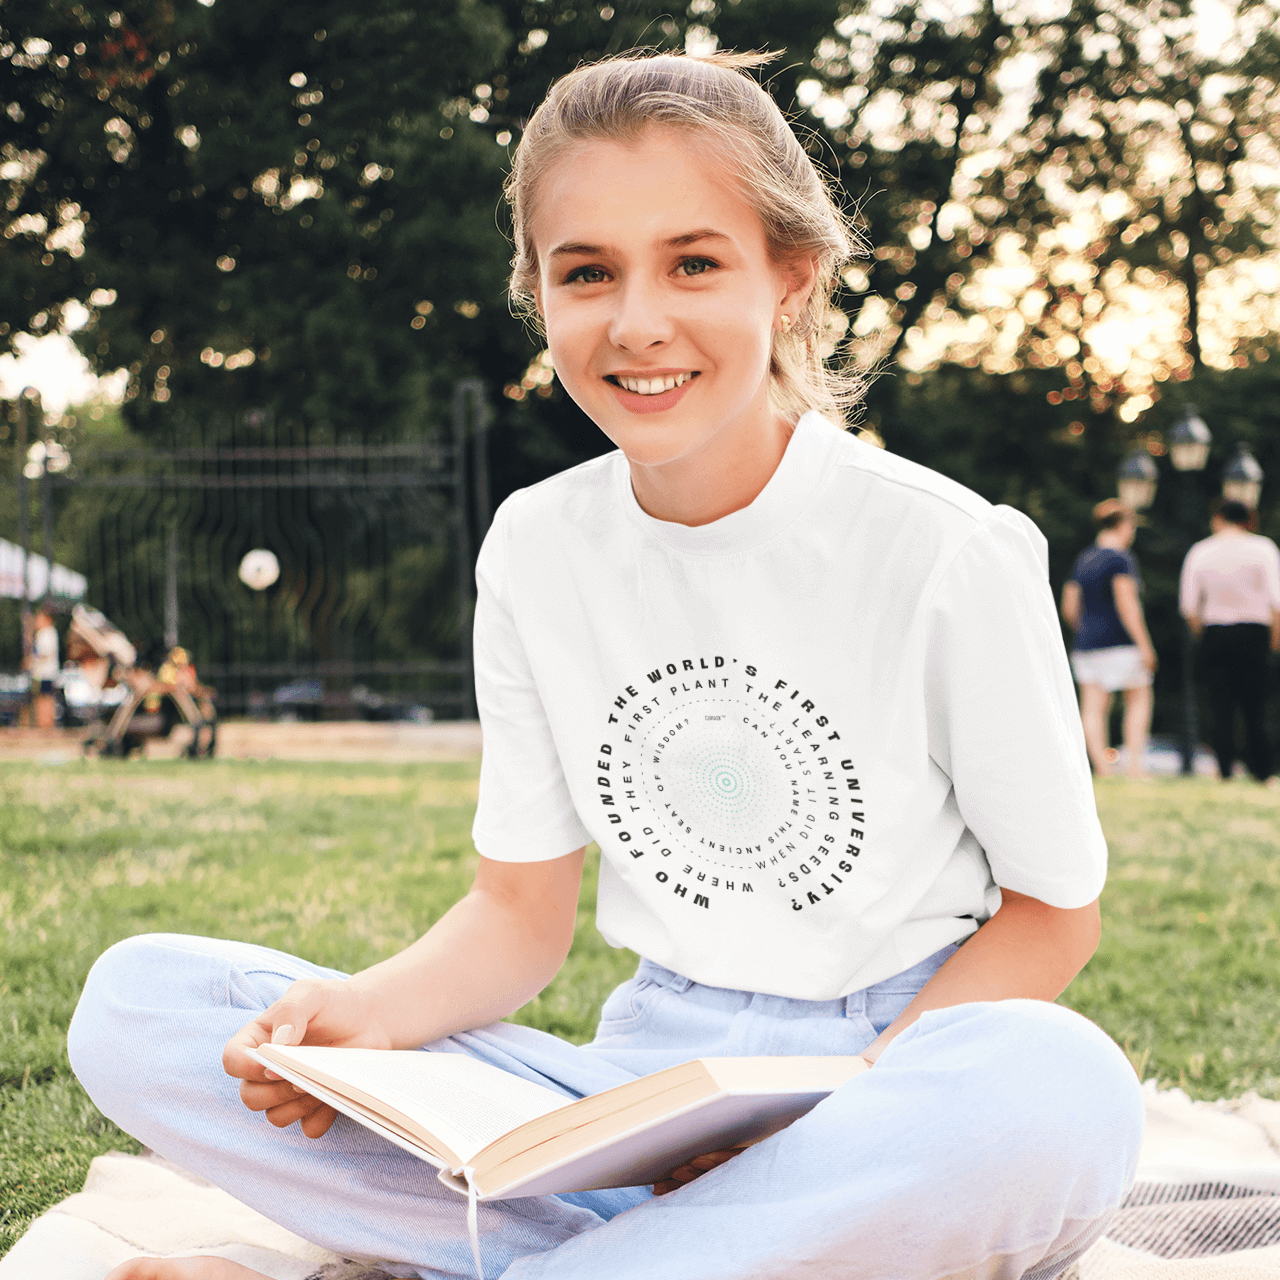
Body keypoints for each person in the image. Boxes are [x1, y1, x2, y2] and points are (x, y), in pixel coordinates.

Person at [68, 51, 1142, 1280]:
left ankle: (587, 1254)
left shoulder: (947, 547)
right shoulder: (536, 543)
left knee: (1060, 1089)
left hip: (895, 1076)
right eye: (586, 273)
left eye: (693, 261)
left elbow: (1053, 915)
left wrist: (826, 1116)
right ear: (541, 295)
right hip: (638, 1088)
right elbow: (516, 918)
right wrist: (359, 1017)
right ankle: (672, 1251)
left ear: (789, 276)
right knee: (145, 1002)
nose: (637, 322)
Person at [1180, 498, 1280, 783]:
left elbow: (1189, 605)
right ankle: (1262, 772)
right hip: (1254, 632)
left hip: (1215, 632)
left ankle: (1224, 770)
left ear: (1218, 518)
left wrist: (1203, 633)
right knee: (1256, 707)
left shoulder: (1201, 551)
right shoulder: (1263, 549)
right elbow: (1276, 601)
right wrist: (1273, 640)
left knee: (1219, 706)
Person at [1060, 500, 1158, 778]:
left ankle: (1102, 768)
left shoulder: (1084, 559)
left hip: (1087, 644)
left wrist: (1085, 628)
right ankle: (1135, 766)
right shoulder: (1120, 558)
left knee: (1092, 707)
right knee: (1138, 699)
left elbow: (1069, 606)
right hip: (1120, 643)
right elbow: (1127, 604)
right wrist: (1145, 644)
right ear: (1124, 525)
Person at [29, 604, 60, 730]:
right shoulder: (47, 633)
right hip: (45, 672)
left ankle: (45, 724)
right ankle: (43, 723)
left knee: (44, 698)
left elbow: (44, 653)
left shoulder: (46, 633)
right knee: (44, 698)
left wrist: (31, 660)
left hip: (45, 672)